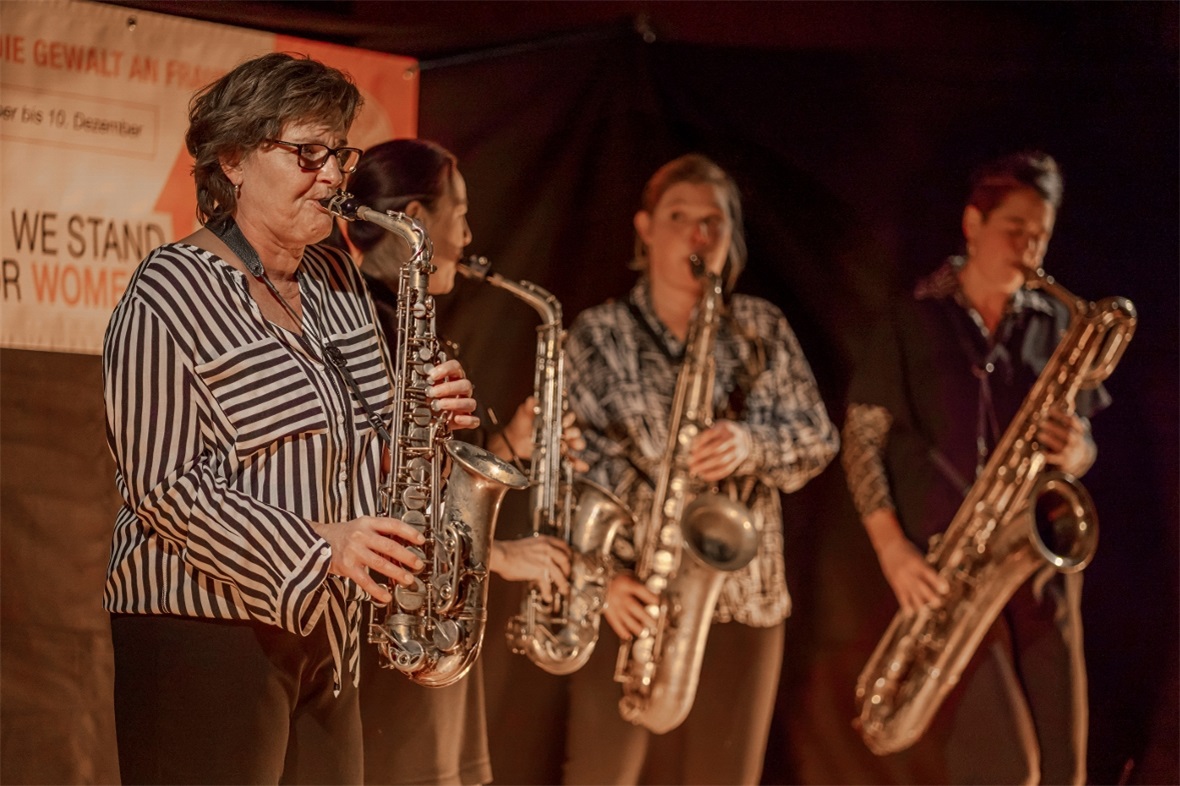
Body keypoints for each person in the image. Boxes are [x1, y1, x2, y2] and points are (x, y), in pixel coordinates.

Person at [101, 54, 480, 785]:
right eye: (309, 152)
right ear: (234, 159)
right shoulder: (169, 289)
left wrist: (424, 422)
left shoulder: (337, 278)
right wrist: (320, 547)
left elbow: (372, 450)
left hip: (327, 635)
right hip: (203, 635)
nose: (335, 175)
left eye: (340, 152)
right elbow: (166, 487)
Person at [561, 153, 840, 785]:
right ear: (645, 227)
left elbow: (819, 441)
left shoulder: (760, 327)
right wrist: (599, 581)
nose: (697, 235)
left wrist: (752, 444)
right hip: (630, 598)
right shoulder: (598, 334)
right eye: (679, 217)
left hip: (744, 601)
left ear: (731, 233)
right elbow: (566, 478)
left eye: (713, 221)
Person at [841, 150, 1105, 785]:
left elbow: (1087, 443)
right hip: (948, 567)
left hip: (1036, 572)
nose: (1030, 247)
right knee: (1005, 770)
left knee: (1064, 768)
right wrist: (892, 552)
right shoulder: (912, 318)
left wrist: (1076, 450)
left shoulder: (1061, 326)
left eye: (1040, 234)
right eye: (1015, 228)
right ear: (972, 224)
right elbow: (860, 440)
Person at [339, 137, 576, 786]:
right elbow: (375, 501)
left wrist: (511, 446)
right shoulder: (365, 329)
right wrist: (499, 556)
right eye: (459, 212)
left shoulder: (397, 319)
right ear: (415, 218)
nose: (469, 235)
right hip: (395, 626)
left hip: (423, 621)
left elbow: (428, 484)